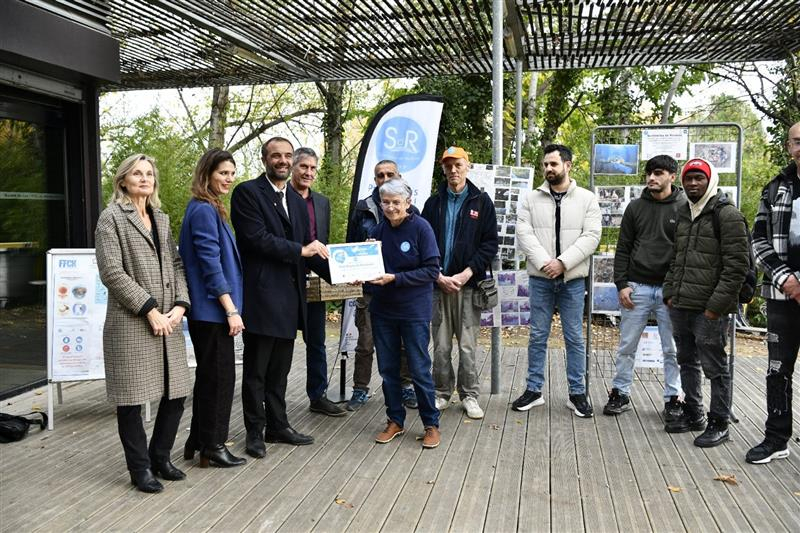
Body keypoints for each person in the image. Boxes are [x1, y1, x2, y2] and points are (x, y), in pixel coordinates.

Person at [95, 154, 191, 493]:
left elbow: (177, 264)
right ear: (123, 181)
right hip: (133, 323)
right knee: (131, 400)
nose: (144, 178)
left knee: (176, 393)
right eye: (137, 173)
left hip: (170, 321)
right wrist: (149, 309)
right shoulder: (111, 219)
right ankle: (140, 469)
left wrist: (180, 306)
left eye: (149, 173)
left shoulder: (161, 218)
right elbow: (112, 273)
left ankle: (160, 457)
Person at [230, 137, 330, 458]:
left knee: (280, 371)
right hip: (261, 298)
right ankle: (255, 433)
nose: (283, 161)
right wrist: (303, 249)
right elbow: (257, 240)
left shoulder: (298, 202)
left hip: (290, 300)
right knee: (256, 372)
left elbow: (309, 252)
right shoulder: (247, 193)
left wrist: (345, 272)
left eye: (288, 156)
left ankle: (278, 425)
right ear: (265, 159)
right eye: (277, 156)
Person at [662, 158, 749, 447]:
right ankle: (693, 413)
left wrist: (716, 307)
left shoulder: (728, 215)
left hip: (710, 309)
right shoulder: (683, 212)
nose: (692, 183)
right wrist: (670, 294)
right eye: (688, 178)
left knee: (715, 367)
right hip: (682, 305)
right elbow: (677, 258)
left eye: (699, 178)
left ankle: (719, 422)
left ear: (710, 180)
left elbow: (736, 267)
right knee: (687, 361)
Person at [514, 144, 601, 417]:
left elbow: (592, 236)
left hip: (573, 279)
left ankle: (577, 394)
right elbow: (524, 233)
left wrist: (563, 263)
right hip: (541, 278)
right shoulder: (530, 199)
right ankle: (534, 390)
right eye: (545, 165)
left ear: (568, 165)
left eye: (554, 164)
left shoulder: (587, 199)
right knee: (538, 335)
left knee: (574, 336)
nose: (549, 169)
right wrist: (546, 263)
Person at [603, 155, 684, 423]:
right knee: (626, 345)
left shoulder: (685, 207)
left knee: (672, 348)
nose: (651, 178)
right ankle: (620, 393)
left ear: (673, 175)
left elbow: (686, 252)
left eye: (658, 173)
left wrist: (676, 289)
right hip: (636, 286)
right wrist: (622, 284)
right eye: (649, 173)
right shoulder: (635, 207)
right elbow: (623, 248)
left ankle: (674, 397)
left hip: (669, 291)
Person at [179, 149, 247, 469]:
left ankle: (198, 440)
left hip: (210, 312)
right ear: (207, 174)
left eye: (232, 174)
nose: (229, 179)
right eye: (223, 173)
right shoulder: (204, 210)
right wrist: (231, 309)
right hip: (211, 311)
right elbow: (210, 264)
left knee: (210, 377)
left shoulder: (208, 207)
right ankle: (214, 445)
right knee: (220, 380)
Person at [421, 146, 498, 419]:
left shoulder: (481, 201)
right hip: (438, 284)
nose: (453, 170)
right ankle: (442, 393)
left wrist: (467, 273)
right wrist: (438, 275)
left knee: (467, 346)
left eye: (458, 165)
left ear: (468, 166)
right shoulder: (433, 203)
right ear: (443, 168)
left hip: (469, 286)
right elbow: (423, 243)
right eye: (449, 166)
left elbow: (490, 245)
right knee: (441, 346)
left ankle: (470, 395)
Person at [367, 179, 441, 448]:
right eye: (385, 202)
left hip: (413, 311)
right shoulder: (376, 231)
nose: (390, 207)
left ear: (408, 203)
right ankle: (394, 420)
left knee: (420, 369)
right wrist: (359, 276)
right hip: (383, 310)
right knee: (388, 370)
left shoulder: (421, 228)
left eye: (396, 202)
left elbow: (432, 271)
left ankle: (431, 424)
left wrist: (395, 278)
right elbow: (370, 270)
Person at [345, 160, 418, 411]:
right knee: (365, 342)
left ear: (399, 176)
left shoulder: (412, 210)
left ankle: (406, 387)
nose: (385, 178)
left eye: (390, 174)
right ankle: (360, 389)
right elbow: (351, 245)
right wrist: (351, 272)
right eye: (380, 175)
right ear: (374, 179)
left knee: (402, 343)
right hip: (369, 290)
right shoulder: (363, 208)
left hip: (399, 289)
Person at [746, 121, 800, 463]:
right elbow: (759, 239)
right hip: (783, 295)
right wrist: (786, 279)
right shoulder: (776, 187)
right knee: (777, 368)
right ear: (788, 146)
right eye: (797, 141)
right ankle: (777, 437)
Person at [288, 147, 346, 417]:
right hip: (285, 279)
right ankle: (269, 399)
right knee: (280, 342)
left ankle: (318, 395)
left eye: (313, 168)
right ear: (292, 167)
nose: (309, 173)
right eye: (304, 167)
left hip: (314, 281)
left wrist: (344, 274)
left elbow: (324, 244)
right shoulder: (281, 197)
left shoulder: (322, 202)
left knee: (317, 341)